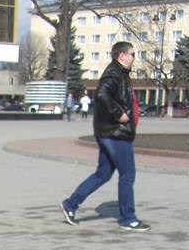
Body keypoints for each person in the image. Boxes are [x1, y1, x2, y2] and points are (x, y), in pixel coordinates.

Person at [59, 41, 150, 232]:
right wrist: (119, 113)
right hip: (115, 133)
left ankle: (70, 204)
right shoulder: (114, 72)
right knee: (128, 174)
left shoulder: (120, 73)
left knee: (103, 174)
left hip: (109, 132)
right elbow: (101, 94)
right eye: (133, 54)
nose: (134, 58)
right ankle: (128, 218)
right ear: (122, 56)